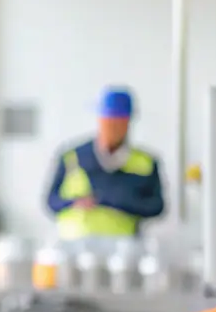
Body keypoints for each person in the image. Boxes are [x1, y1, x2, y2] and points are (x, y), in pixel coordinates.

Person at [46, 86, 165, 240]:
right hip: (74, 246)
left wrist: (121, 203)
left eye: (117, 122)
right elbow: (51, 201)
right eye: (107, 121)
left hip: (122, 250)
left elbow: (157, 207)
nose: (112, 127)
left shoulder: (146, 163)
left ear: (128, 123)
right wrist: (74, 202)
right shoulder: (72, 156)